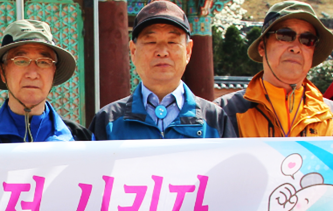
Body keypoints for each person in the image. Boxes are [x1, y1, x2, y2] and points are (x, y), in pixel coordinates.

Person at [89, 1, 235, 140]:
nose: (162, 52)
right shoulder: (108, 121)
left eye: (172, 42)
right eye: (151, 42)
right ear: (133, 51)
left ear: (188, 51)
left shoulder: (214, 119)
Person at [217, 0, 333, 137]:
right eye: (285, 36)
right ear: (262, 46)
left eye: (307, 40)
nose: (296, 48)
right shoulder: (222, 113)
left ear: (313, 51)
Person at [0, 20, 90, 144]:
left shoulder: (82, 140)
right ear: (3, 71)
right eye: (21, 61)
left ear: (54, 72)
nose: (32, 74)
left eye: (44, 62)